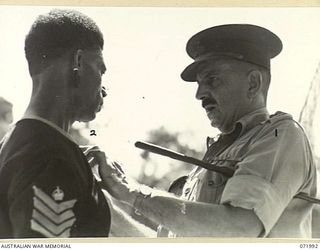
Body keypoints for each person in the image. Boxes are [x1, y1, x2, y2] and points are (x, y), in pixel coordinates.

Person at [95, 24, 317, 237]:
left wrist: (135, 194)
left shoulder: (281, 135)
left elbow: (239, 229)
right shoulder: (219, 152)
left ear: (253, 83)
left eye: (212, 79)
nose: (199, 94)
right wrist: (105, 204)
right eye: (199, 83)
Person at [0, 9, 111, 238]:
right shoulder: (50, 156)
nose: (103, 89)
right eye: (101, 69)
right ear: (78, 61)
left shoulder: (15, 143)